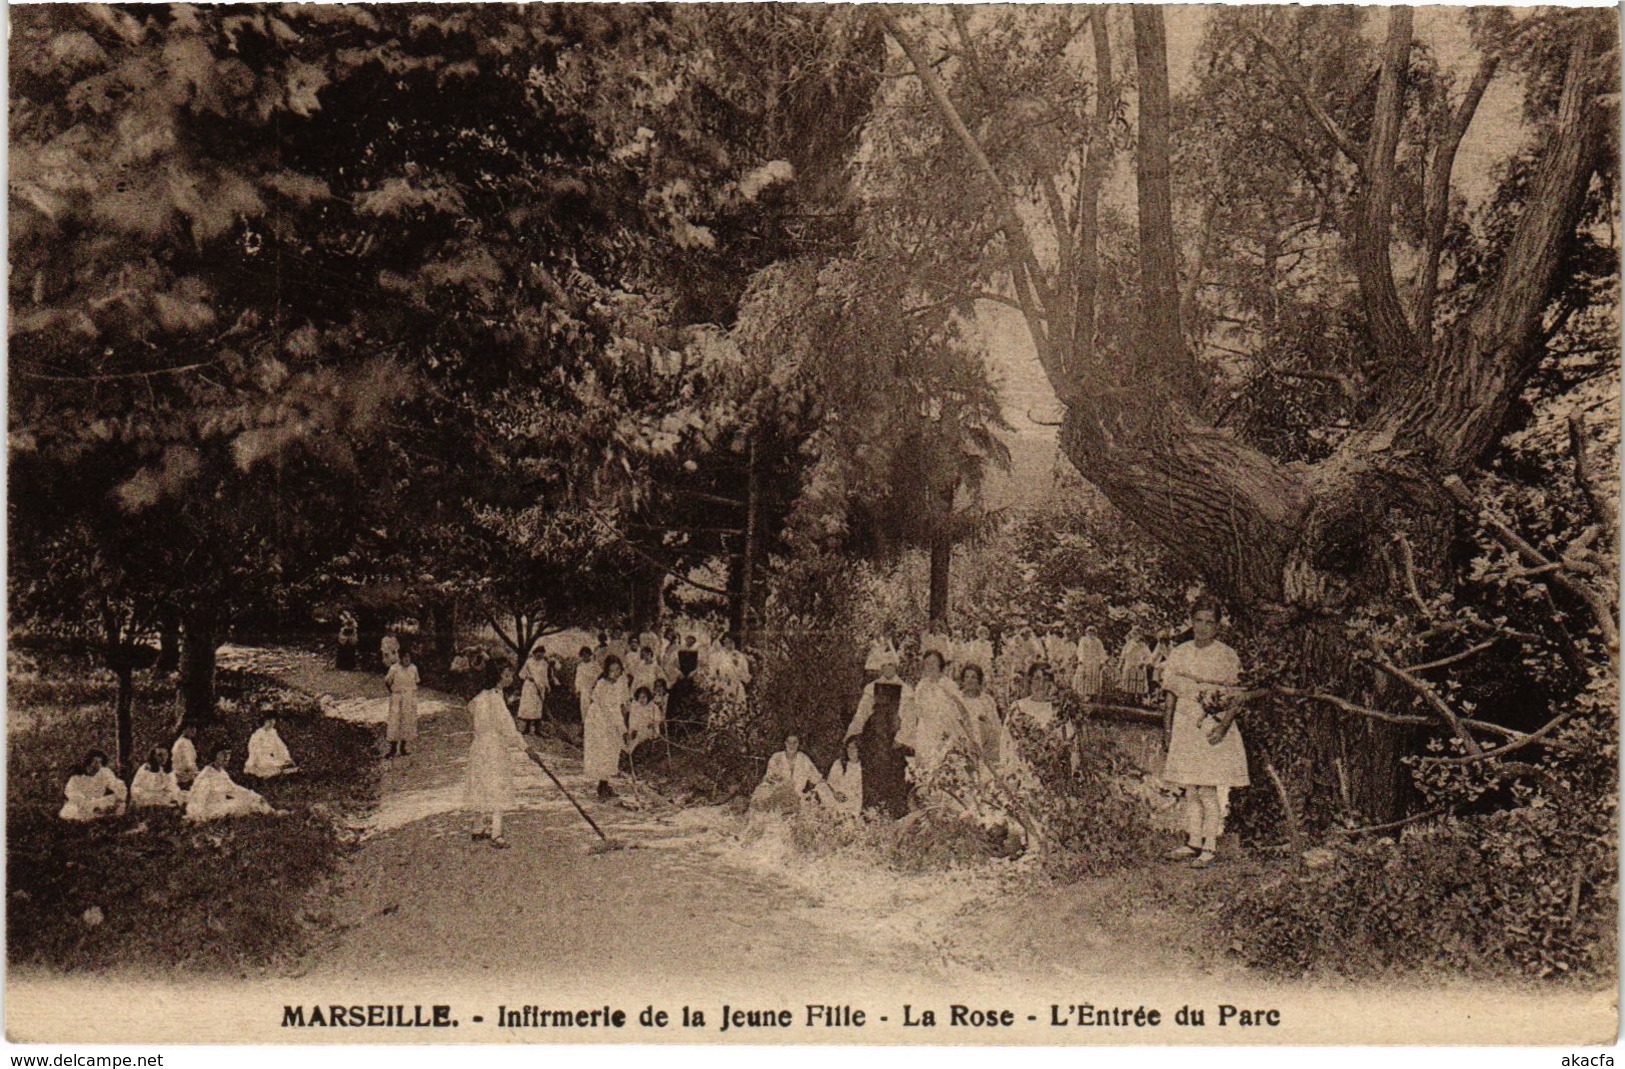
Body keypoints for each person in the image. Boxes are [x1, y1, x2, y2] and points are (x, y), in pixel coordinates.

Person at [1160, 599, 1248, 869]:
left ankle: (1209, 845)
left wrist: (1222, 726)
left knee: (1207, 789)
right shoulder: (1180, 652)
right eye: (1198, 620)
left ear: (1217, 625)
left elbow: (1238, 696)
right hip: (1186, 724)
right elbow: (1171, 695)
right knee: (1190, 787)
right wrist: (1167, 727)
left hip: (1211, 724)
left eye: (1209, 622)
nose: (1203, 627)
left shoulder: (1226, 655)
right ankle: (1193, 841)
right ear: (1192, 621)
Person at [464, 660, 525, 849]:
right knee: (498, 785)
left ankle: (477, 827)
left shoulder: (483, 695)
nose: (510, 678)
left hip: (479, 745)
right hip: (494, 748)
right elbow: (507, 728)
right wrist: (524, 746)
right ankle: (496, 833)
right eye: (506, 675)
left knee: (481, 783)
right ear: (498, 677)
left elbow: (470, 708)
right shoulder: (496, 698)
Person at [844, 653, 914, 818]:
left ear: (895, 667)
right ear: (880, 668)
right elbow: (862, 714)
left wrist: (901, 738)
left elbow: (909, 718)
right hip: (875, 739)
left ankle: (894, 816)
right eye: (884, 666)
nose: (887, 668)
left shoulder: (906, 689)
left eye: (890, 665)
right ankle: (872, 816)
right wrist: (851, 733)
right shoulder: (871, 688)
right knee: (873, 776)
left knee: (894, 777)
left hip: (895, 741)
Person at [903, 650, 970, 779]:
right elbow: (916, 709)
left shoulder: (948, 684)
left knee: (943, 765)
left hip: (944, 730)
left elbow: (960, 708)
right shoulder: (922, 685)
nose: (930, 666)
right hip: (925, 731)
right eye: (927, 663)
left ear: (940, 664)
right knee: (925, 766)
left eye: (934, 662)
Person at [186, 745, 279, 821]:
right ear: (215, 755)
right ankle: (272, 813)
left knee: (252, 801)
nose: (226, 757)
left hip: (220, 806)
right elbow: (197, 799)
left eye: (228, 754)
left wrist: (255, 796)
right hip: (209, 810)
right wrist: (197, 818)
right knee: (247, 806)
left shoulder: (221, 772)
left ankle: (272, 812)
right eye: (223, 754)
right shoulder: (206, 775)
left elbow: (234, 789)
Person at [585, 655, 630, 800]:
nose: (616, 673)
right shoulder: (602, 684)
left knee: (612, 750)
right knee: (603, 752)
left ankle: (605, 783)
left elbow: (617, 708)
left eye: (618, 670)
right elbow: (608, 708)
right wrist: (622, 729)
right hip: (599, 722)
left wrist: (622, 728)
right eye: (612, 670)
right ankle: (602, 785)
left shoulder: (616, 685)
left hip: (609, 721)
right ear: (607, 671)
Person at [749, 733, 825, 815]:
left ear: (798, 744)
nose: (791, 745)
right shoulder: (777, 757)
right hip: (778, 795)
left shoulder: (804, 759)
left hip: (797, 797)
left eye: (794, 742)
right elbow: (768, 778)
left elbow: (816, 778)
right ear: (785, 743)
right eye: (789, 742)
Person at [957, 665, 1003, 774]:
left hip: (985, 747)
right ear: (962, 680)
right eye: (967, 677)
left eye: (974, 677)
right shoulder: (957, 699)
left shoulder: (987, 700)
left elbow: (995, 725)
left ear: (979, 681)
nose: (970, 680)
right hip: (963, 746)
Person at [59, 750, 127, 821]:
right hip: (82, 805)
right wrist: (90, 806)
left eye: (100, 762)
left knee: (118, 803)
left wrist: (119, 797)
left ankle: (105, 818)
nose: (98, 766)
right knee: (70, 811)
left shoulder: (104, 772)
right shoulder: (76, 777)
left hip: (98, 803)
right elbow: (74, 796)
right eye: (95, 762)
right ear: (88, 763)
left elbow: (116, 784)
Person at [244, 714, 299, 778]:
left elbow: (280, 746)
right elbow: (254, 751)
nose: (271, 725)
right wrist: (264, 760)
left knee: (283, 764)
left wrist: (286, 758)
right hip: (259, 759)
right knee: (267, 767)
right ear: (264, 722)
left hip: (269, 757)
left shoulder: (273, 732)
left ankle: (280, 769)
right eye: (269, 722)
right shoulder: (257, 734)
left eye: (273, 723)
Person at [823, 738, 864, 817]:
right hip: (838, 799)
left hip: (854, 803)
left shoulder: (863, 767)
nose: (850, 750)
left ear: (859, 749)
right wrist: (835, 793)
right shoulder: (839, 763)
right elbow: (829, 783)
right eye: (849, 747)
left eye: (854, 748)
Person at [516, 646, 550, 737]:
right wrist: (528, 677)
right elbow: (521, 674)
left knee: (538, 707)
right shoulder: (529, 662)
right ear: (534, 653)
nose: (540, 655)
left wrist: (547, 686)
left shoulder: (544, 664)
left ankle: (537, 730)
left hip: (540, 687)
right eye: (538, 653)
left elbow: (545, 676)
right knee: (528, 706)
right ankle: (526, 728)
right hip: (530, 687)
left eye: (542, 654)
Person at [1073, 625, 1109, 701]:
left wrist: (1102, 661)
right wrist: (1081, 660)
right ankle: (1084, 694)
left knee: (1094, 678)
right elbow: (1081, 651)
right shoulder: (1083, 640)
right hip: (1086, 661)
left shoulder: (1098, 641)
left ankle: (1093, 694)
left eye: (1092, 632)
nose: (1091, 634)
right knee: (1084, 677)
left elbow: (1101, 652)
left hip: (1095, 662)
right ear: (1086, 632)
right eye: (1089, 632)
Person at [625, 686, 663, 754]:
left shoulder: (653, 707)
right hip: (639, 731)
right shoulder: (636, 709)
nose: (642, 700)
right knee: (633, 739)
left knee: (642, 735)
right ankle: (629, 752)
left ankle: (632, 750)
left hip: (651, 731)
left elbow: (658, 719)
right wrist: (631, 732)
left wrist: (652, 723)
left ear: (648, 697)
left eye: (644, 697)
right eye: (640, 697)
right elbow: (632, 723)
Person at [1118, 628, 1153, 701]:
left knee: (1139, 682)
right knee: (1129, 681)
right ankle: (1130, 698)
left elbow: (1149, 656)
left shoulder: (1143, 645)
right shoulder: (1128, 644)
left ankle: (1139, 698)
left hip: (1139, 665)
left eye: (1138, 634)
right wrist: (1120, 664)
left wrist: (1144, 663)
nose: (1136, 636)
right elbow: (1123, 655)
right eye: (1134, 634)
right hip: (1129, 664)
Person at [573, 646, 599, 722]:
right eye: (583, 655)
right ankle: (584, 725)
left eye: (586, 654)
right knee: (584, 708)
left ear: (589, 654)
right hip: (584, 689)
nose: (585, 656)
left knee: (594, 708)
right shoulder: (580, 666)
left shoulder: (595, 665)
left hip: (593, 689)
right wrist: (578, 690)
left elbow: (600, 676)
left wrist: (596, 685)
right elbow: (578, 679)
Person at [171, 724, 200, 789]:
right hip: (183, 778)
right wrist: (196, 773)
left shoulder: (187, 742)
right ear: (183, 729)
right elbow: (187, 764)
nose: (193, 730)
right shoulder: (182, 743)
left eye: (194, 728)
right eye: (190, 728)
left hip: (187, 775)